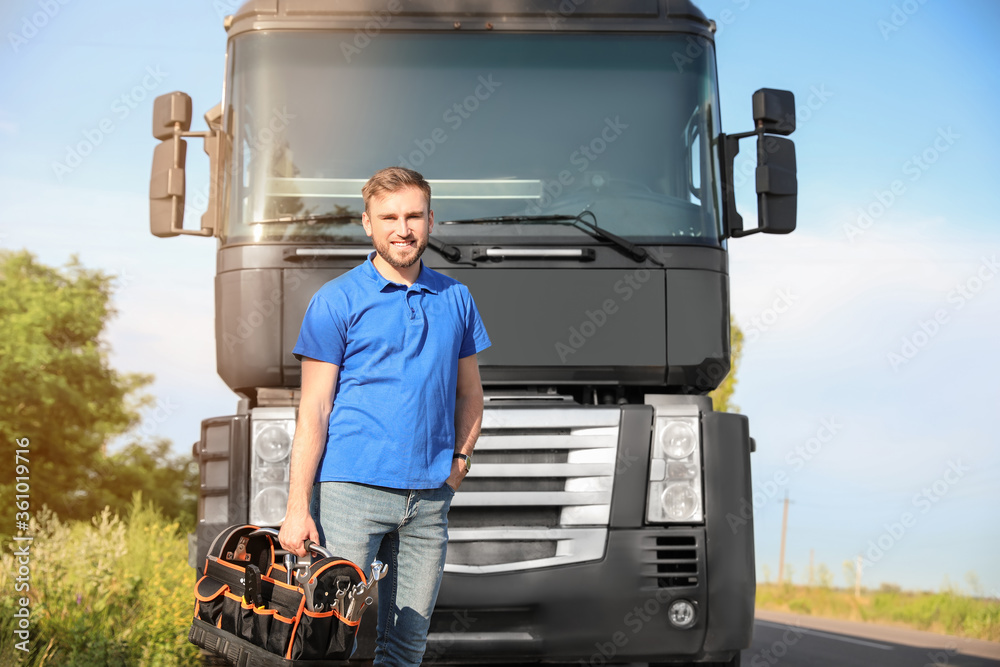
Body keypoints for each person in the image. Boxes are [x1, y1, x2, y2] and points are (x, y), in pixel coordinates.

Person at [278, 166, 490, 666]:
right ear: (368, 225)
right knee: (327, 646)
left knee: (406, 649)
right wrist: (296, 506)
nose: (403, 228)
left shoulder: (455, 298)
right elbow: (314, 409)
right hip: (350, 495)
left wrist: (459, 462)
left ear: (431, 221)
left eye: (414, 215)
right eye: (389, 217)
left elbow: (472, 395)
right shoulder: (336, 300)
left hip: (428, 501)